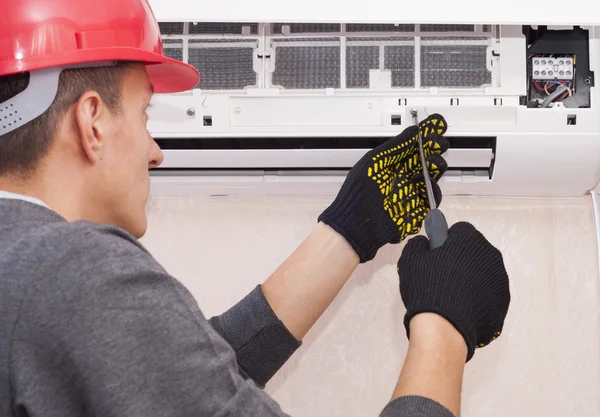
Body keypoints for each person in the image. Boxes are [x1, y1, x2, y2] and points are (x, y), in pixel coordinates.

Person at [0, 1, 511, 416]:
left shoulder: (27, 277)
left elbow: (185, 387)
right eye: (144, 113)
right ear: (92, 122)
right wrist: (445, 326)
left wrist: (349, 230)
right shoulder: (77, 272)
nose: (155, 151)